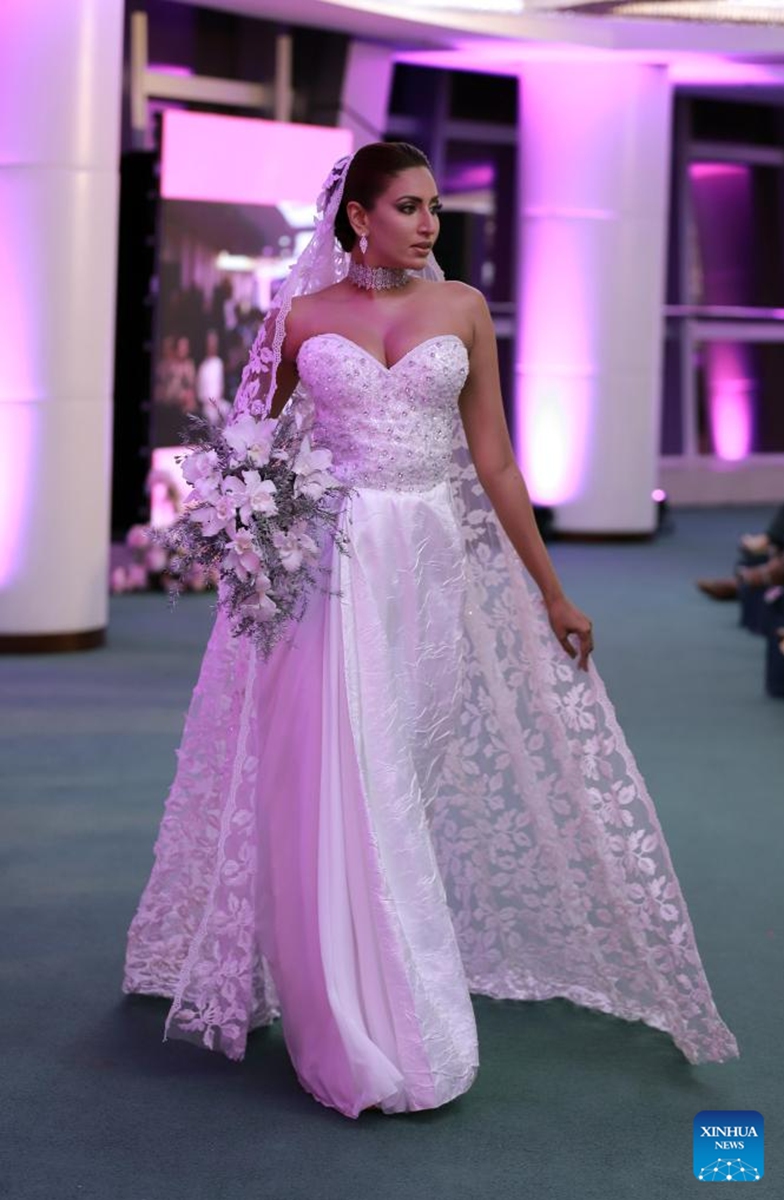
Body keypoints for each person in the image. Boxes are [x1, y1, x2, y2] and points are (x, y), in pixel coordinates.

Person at [123, 143, 738, 1119]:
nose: (428, 223)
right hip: (330, 567)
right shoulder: (303, 318)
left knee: (394, 767)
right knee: (348, 783)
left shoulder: (459, 313)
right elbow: (250, 444)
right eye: (408, 206)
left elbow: (493, 462)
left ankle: (365, 981)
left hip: (428, 562)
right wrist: (251, 525)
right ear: (357, 218)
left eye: (434, 208)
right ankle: (374, 1025)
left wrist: (550, 591)